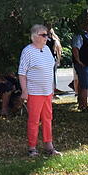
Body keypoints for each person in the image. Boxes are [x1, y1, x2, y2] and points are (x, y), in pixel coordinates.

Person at [19, 24, 61, 156]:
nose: (46, 37)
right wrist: (24, 90)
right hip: (34, 92)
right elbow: (22, 73)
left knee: (48, 118)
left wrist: (52, 87)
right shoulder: (28, 51)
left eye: (47, 35)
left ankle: (49, 146)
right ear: (34, 36)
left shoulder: (47, 50)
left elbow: (50, 70)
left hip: (47, 92)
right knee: (34, 120)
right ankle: (32, 147)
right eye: (43, 35)